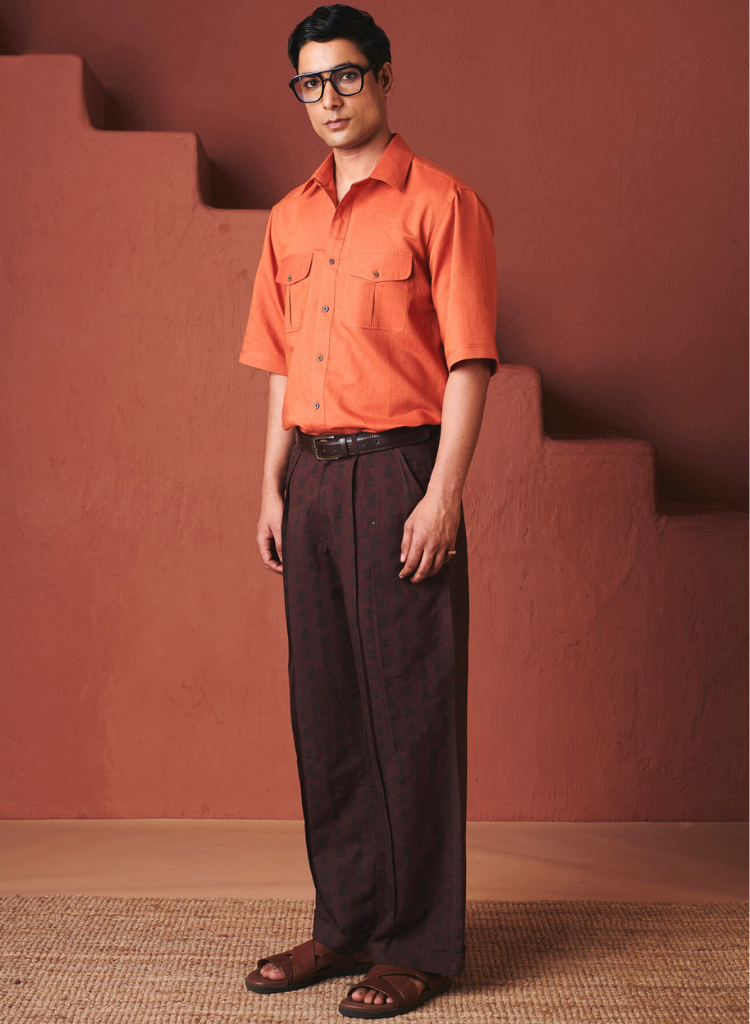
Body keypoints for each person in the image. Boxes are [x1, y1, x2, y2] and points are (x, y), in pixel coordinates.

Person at [238, 5, 498, 1017]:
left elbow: (470, 361)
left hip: (400, 473)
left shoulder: (443, 203)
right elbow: (279, 362)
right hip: (310, 478)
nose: (329, 99)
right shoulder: (287, 217)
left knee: (411, 713)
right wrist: (270, 484)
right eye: (311, 83)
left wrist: (444, 493)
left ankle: (417, 945)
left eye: (346, 76)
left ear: (385, 77)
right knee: (327, 712)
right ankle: (345, 923)